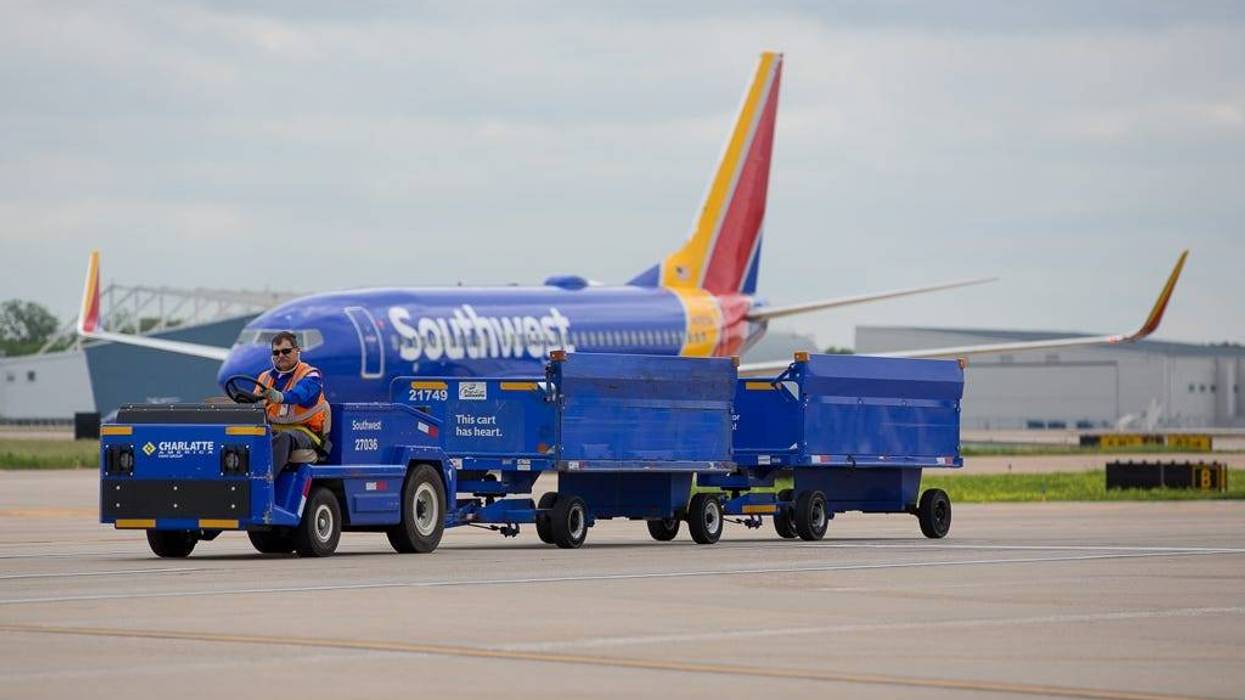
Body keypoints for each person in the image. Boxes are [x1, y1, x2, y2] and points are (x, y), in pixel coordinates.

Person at [257, 331, 329, 473]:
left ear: (297, 351)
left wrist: (279, 397)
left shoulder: (311, 375)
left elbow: (300, 394)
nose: (281, 356)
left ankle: (264, 480)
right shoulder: (264, 377)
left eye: (286, 351)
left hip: (304, 433)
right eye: (276, 353)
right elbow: (254, 403)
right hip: (273, 429)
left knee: (284, 437)